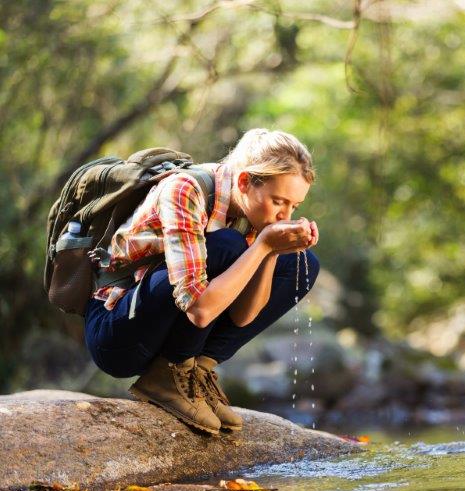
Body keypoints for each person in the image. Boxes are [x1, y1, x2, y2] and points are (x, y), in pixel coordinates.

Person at [83, 128, 320, 435]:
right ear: (245, 181)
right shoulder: (185, 189)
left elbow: (243, 317)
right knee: (228, 247)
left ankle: (196, 372)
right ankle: (169, 372)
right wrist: (261, 246)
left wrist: (272, 251)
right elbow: (200, 311)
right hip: (117, 333)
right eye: (278, 201)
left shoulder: (247, 212)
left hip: (163, 324)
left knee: (302, 264)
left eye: (293, 207)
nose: (284, 215)